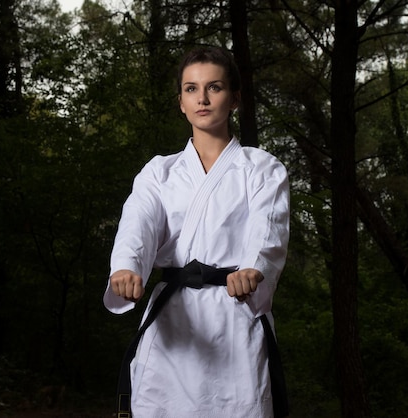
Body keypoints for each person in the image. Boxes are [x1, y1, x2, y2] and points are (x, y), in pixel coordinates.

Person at [103, 46, 290, 418]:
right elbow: (138, 222)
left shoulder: (262, 168)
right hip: (174, 323)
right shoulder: (160, 172)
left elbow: (268, 227)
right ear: (181, 103)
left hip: (235, 318)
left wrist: (253, 268)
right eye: (191, 89)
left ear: (235, 98)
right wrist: (126, 266)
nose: (202, 98)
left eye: (214, 87)